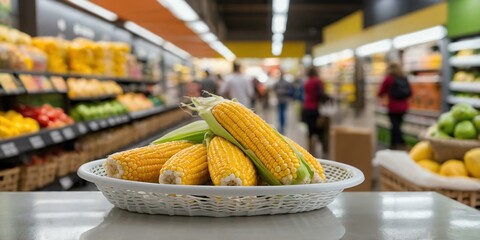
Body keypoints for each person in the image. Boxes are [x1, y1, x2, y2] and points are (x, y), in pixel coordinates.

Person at [378, 63, 412, 150]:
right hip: (403, 107)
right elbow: (410, 92)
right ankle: (397, 144)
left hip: (393, 107)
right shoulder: (403, 77)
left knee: (394, 126)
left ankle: (397, 144)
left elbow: (380, 92)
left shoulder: (389, 78)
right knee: (397, 126)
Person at [302, 67, 329, 155]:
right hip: (314, 109)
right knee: (319, 130)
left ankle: (310, 151)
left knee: (310, 131)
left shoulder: (306, 82)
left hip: (306, 108)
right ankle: (323, 150)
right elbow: (320, 94)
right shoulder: (317, 81)